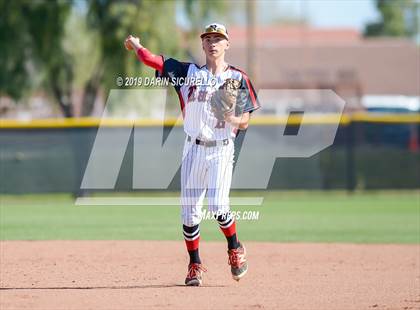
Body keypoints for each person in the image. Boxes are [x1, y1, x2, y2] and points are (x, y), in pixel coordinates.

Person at [125, 23, 260, 286]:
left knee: (219, 207)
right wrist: (137, 45)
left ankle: (235, 247)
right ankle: (194, 265)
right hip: (192, 149)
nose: (213, 43)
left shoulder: (238, 78)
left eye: (218, 38)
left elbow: (245, 121)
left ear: (227, 44)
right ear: (202, 44)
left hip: (222, 149)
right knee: (189, 214)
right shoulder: (186, 72)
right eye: (208, 38)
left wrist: (229, 116)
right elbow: (153, 61)